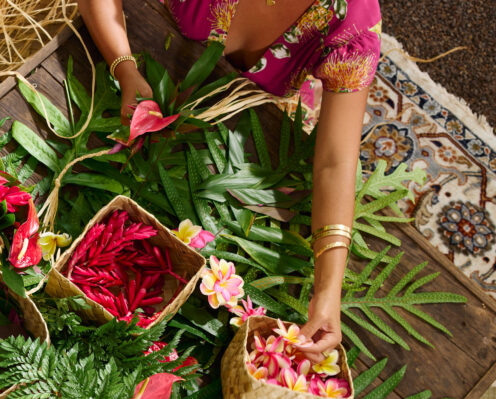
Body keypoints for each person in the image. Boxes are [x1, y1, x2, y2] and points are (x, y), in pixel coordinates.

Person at [78, 0, 381, 355]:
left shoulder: (352, 25)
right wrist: (124, 67)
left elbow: (335, 162)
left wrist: (328, 293)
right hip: (132, 58)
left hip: (229, 136)